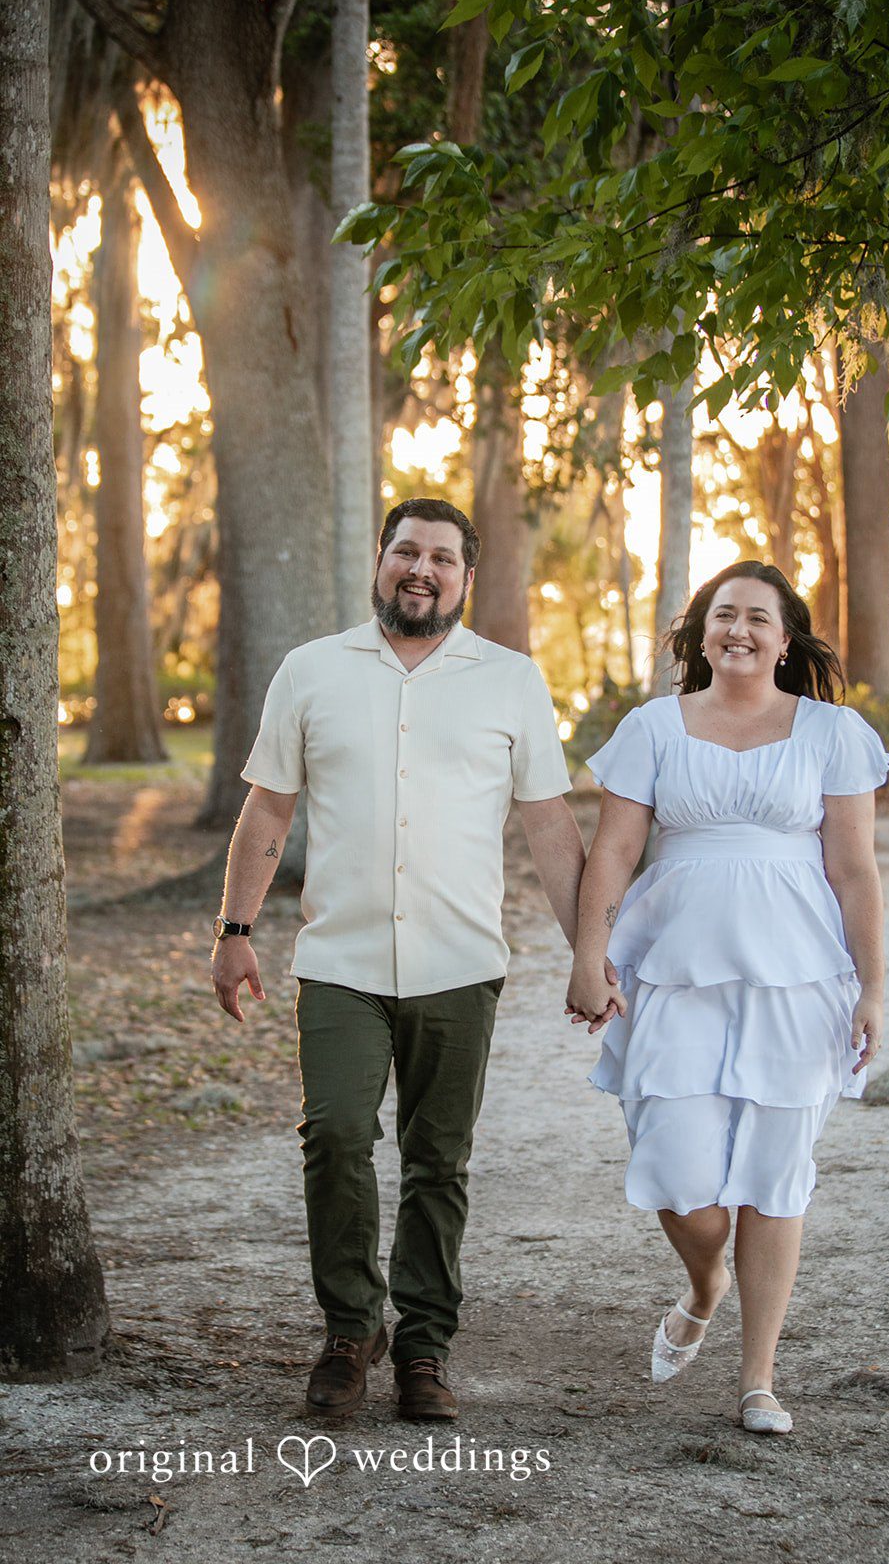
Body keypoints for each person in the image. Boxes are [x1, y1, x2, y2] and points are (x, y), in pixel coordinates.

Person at [211, 498, 585, 1423]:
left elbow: (549, 825)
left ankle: (423, 1345)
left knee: (437, 1161)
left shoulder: (509, 680)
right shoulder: (311, 671)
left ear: (467, 577)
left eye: (443, 559)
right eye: (406, 552)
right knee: (336, 1135)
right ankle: (349, 1330)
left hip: (460, 965)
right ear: (380, 561)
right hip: (339, 961)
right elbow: (267, 811)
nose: (422, 570)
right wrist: (233, 932)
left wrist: (593, 954)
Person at [566, 560, 889, 1435]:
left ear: (786, 639)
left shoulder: (832, 732)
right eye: (721, 615)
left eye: (756, 617)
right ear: (699, 633)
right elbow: (613, 853)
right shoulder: (652, 728)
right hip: (671, 968)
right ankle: (704, 1282)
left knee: (775, 1180)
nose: (737, 629)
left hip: (798, 976)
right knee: (680, 1177)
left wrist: (872, 988)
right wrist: (589, 956)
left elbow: (853, 869)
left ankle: (757, 1380)